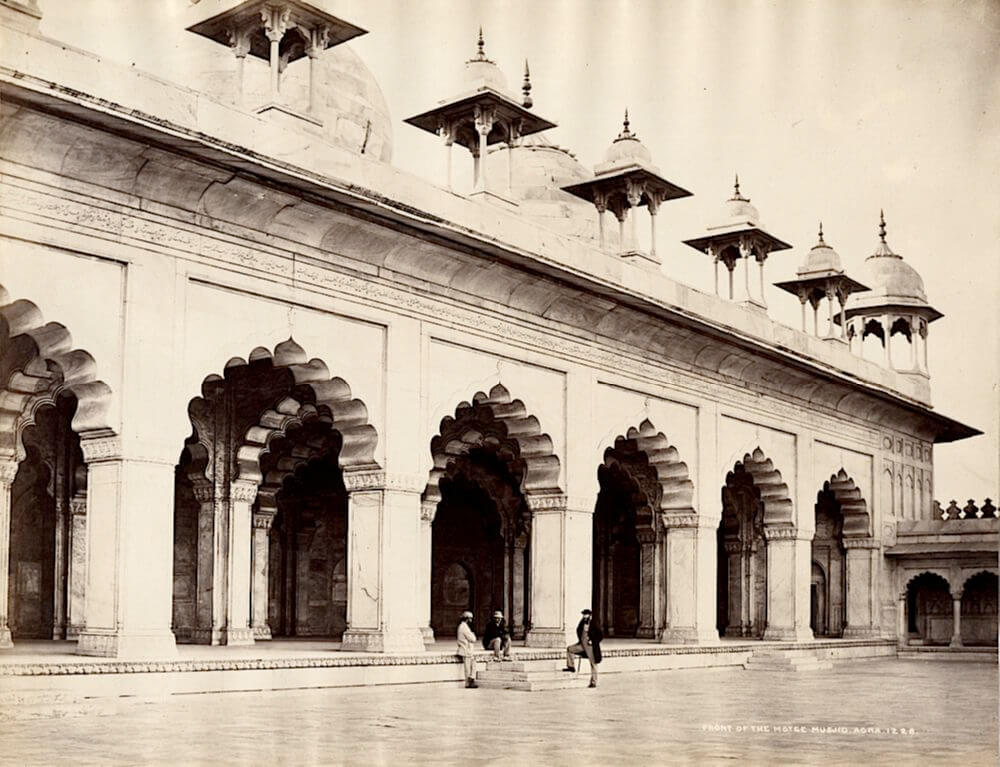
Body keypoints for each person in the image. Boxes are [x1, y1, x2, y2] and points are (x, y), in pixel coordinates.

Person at [564, 608, 603, 688]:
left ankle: (593, 682)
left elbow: (600, 635)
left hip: (590, 646)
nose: (585, 616)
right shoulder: (582, 622)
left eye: (586, 614)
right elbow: (578, 630)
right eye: (584, 614)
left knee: (593, 664)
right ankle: (571, 666)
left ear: (590, 615)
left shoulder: (594, 623)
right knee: (570, 649)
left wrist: (593, 641)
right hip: (582, 645)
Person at [456, 610, 478, 688]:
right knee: (468, 668)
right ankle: (468, 682)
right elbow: (473, 639)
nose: (471, 621)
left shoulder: (462, 626)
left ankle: (471, 680)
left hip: (466, 650)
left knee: (471, 666)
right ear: (467, 619)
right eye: (470, 619)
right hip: (466, 650)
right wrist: (473, 634)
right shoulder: (464, 627)